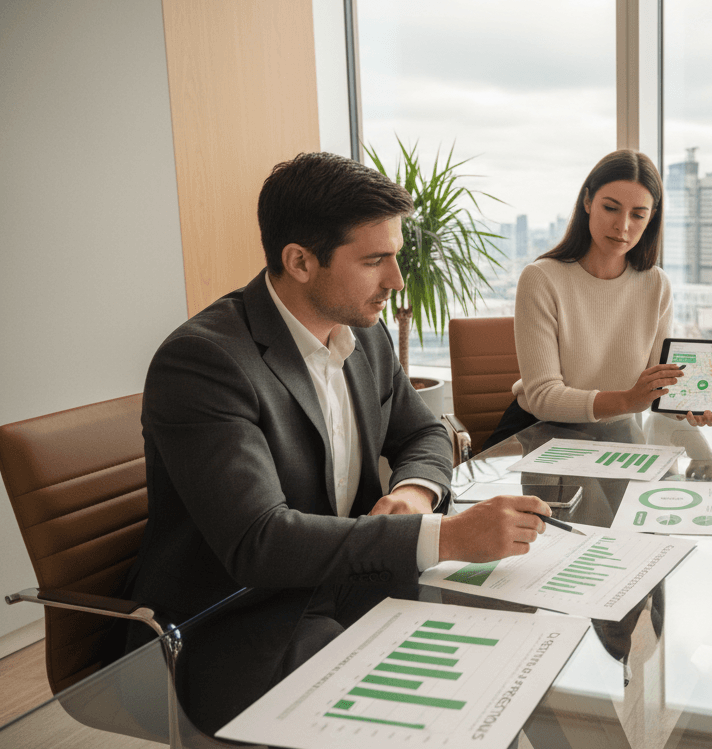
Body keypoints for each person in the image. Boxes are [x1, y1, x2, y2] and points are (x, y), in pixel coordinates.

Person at [124, 151, 548, 730]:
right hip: (241, 622)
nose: (397, 282)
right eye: (375, 261)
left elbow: (422, 431)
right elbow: (260, 542)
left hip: (350, 585)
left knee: (517, 648)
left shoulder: (361, 335)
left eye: (396, 257)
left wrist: (417, 494)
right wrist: (441, 536)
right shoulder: (206, 361)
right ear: (299, 261)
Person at [486, 149, 712, 449]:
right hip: (538, 433)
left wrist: (689, 407)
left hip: (618, 433)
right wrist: (627, 400)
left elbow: (657, 387)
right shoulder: (541, 278)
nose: (622, 226)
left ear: (651, 218)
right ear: (587, 202)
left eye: (638, 214)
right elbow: (543, 397)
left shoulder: (656, 284)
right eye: (611, 208)